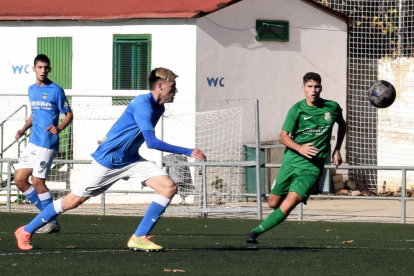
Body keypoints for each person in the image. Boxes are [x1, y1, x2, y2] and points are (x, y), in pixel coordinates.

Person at [15, 67, 207, 251]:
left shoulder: (159, 108)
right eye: (173, 86)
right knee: (72, 201)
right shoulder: (143, 104)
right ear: (160, 85)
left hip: (129, 160)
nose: (176, 90)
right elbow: (151, 142)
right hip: (107, 161)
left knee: (168, 187)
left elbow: (124, 127)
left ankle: (139, 237)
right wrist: (188, 151)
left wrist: (108, 139)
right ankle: (25, 231)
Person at [246, 72, 346, 243]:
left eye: (316, 86)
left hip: (312, 168)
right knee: (272, 203)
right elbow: (283, 136)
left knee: (290, 203)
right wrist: (300, 148)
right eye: (309, 87)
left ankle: (254, 233)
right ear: (303, 89)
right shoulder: (297, 109)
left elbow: (343, 125)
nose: (313, 90)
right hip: (291, 162)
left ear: (321, 88)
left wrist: (337, 149)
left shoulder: (332, 107)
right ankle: (282, 203)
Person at [14, 54, 73, 234]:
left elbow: (69, 114)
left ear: (49, 70)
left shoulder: (56, 90)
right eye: (40, 67)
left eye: (46, 67)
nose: (43, 71)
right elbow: (35, 112)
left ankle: (49, 220)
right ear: (34, 69)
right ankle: (50, 218)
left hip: (47, 143)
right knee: (20, 180)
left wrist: (59, 127)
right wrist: (24, 128)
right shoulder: (31, 90)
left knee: (38, 182)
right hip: (33, 142)